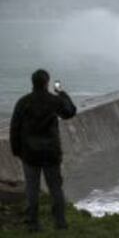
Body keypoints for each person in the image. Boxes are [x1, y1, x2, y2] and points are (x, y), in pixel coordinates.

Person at [9, 69, 77, 232]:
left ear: (33, 82)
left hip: (30, 154)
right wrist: (62, 93)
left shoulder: (24, 102)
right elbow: (70, 112)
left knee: (32, 188)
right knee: (55, 188)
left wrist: (16, 150)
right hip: (51, 152)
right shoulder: (54, 101)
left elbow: (14, 128)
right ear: (47, 83)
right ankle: (60, 223)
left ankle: (33, 224)